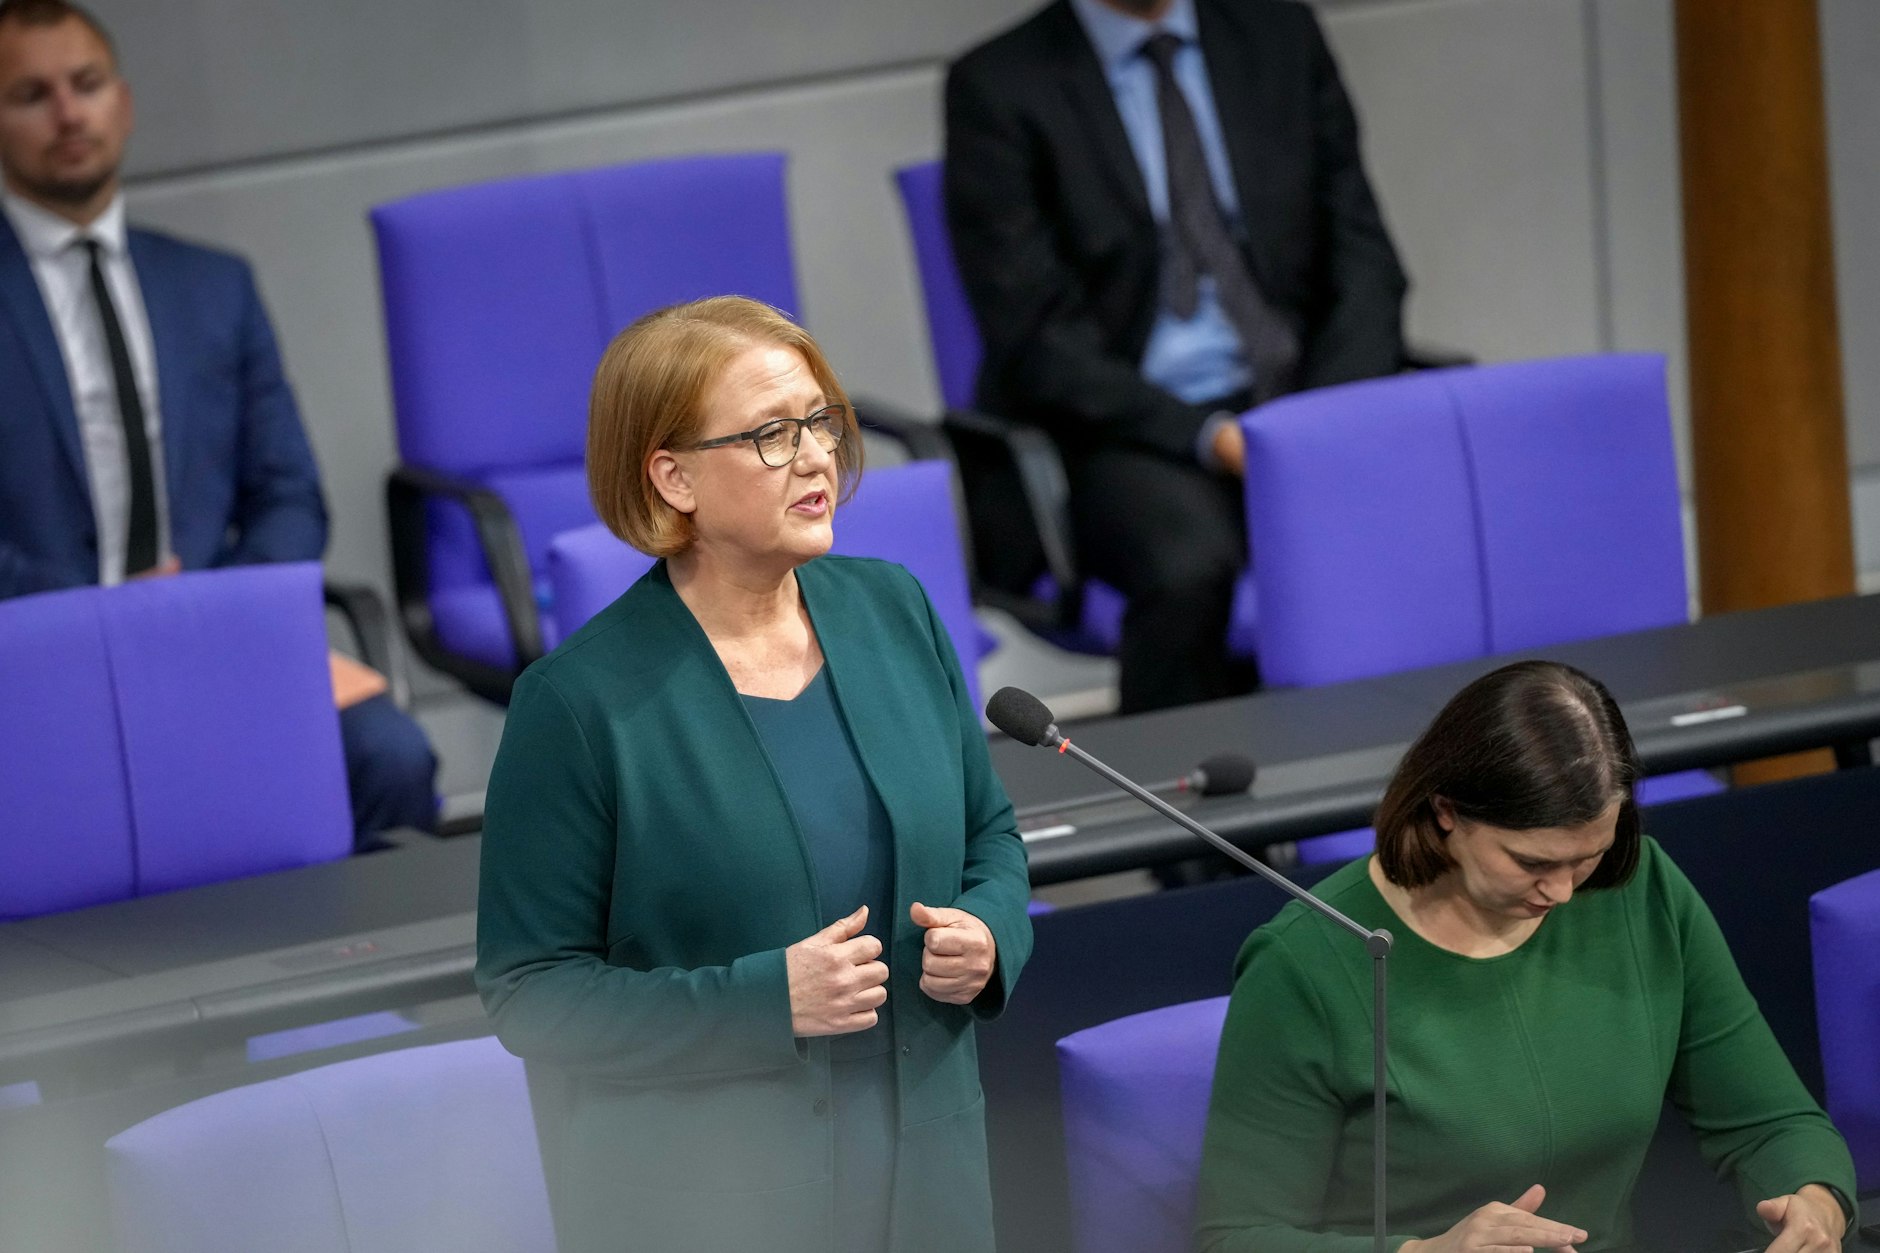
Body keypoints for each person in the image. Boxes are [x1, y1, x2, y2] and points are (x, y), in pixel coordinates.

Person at [475, 296, 1033, 1253]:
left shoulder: (895, 609)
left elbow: (990, 835)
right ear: (674, 476)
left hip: (929, 1182)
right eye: (773, 434)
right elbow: (531, 992)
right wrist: (763, 1001)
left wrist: (990, 934)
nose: (817, 458)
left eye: (821, 420)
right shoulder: (578, 705)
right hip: (714, 1202)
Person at [1195, 660, 1854, 1253]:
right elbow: (1235, 1238)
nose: (1563, 892)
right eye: (1532, 862)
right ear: (1447, 811)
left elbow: (1770, 1122)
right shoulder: (1304, 964)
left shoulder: (1639, 889)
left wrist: (1815, 1202)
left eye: (1588, 855)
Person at [0, 0, 436, 844]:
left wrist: (206, 612)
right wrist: (102, 620)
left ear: (123, 102)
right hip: (35, 654)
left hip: (210, 637)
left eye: (86, 84)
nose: (67, 113)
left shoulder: (213, 286)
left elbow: (289, 495)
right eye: (31, 94)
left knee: (390, 757)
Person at [945, 0, 1407, 713]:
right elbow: (1036, 339)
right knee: (1188, 566)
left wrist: (1323, 420)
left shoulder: (1277, 31)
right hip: (1120, 422)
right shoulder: (1000, 83)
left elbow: (1364, 257)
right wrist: (1211, 436)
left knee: (1436, 503)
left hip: (1296, 390)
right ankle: (1178, 781)